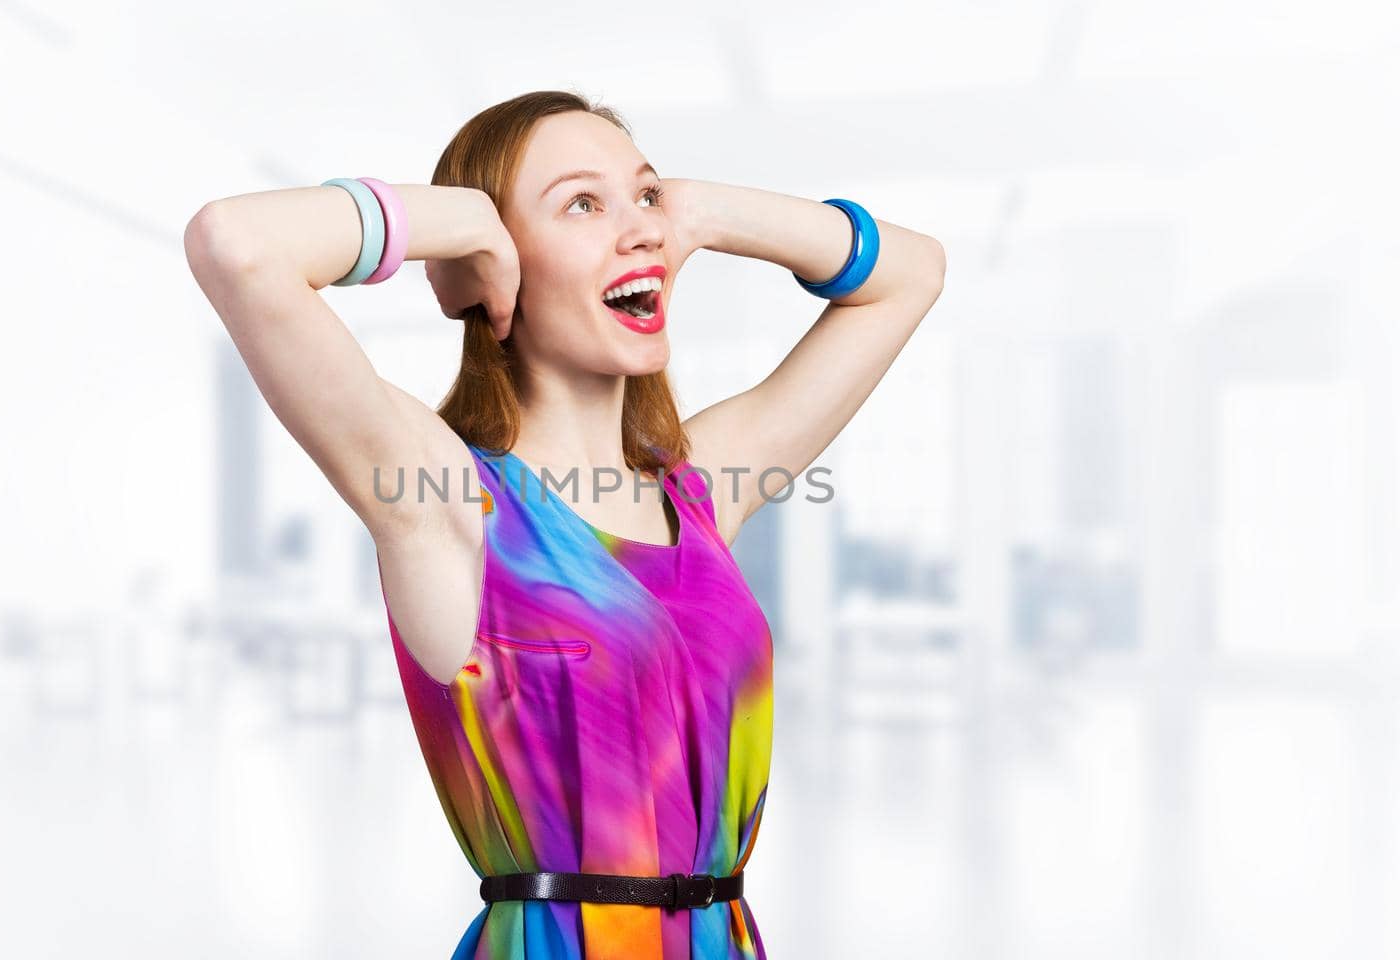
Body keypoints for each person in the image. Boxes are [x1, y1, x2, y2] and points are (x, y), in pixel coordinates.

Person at [184, 89, 945, 960]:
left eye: (643, 196)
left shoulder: (701, 492)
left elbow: (912, 275)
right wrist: (460, 221)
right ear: (496, 259)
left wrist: (702, 211)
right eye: (582, 204)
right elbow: (237, 247)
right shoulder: (445, 502)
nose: (640, 229)